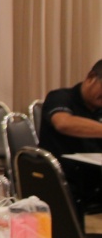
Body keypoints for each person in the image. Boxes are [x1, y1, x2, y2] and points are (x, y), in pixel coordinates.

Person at [38, 59, 102, 212]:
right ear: (91, 77)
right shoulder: (60, 97)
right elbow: (63, 123)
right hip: (61, 179)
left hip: (95, 180)